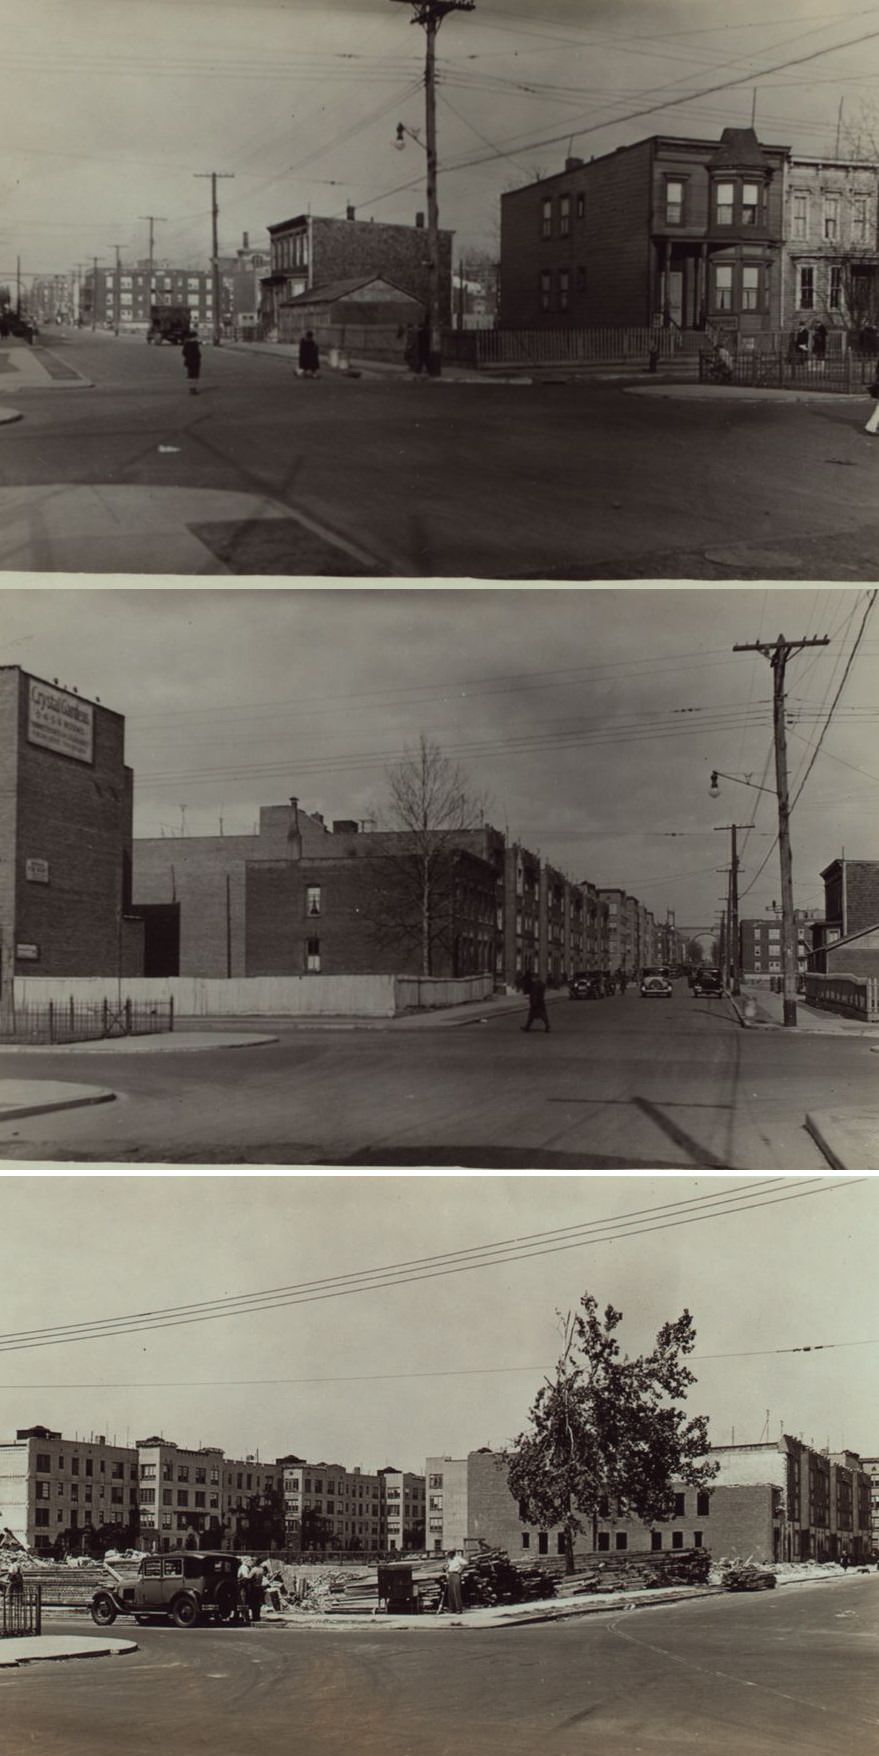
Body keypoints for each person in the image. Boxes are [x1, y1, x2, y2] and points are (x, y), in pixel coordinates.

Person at [181, 329, 202, 396]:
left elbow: (183, 353)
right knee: (195, 375)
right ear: (193, 337)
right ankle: (193, 389)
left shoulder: (186, 344)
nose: (197, 338)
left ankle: (191, 388)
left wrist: (187, 357)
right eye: (196, 336)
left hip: (189, 362)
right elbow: (197, 353)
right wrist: (198, 356)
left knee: (190, 375)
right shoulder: (195, 344)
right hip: (195, 362)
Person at [445, 1550, 465, 1614]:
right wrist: (447, 1571)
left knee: (456, 1591)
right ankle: (452, 1609)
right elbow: (448, 1567)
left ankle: (459, 1609)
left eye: (450, 1553)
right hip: (450, 1574)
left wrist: (460, 1570)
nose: (449, 1555)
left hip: (456, 1574)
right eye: (448, 1553)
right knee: (450, 1593)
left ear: (453, 1553)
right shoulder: (449, 1559)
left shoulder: (458, 1558)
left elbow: (465, 1563)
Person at [236, 1556, 252, 1624]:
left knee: (242, 1601)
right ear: (245, 1561)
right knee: (243, 1601)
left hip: (242, 1586)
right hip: (243, 1587)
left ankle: (242, 1617)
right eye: (249, 1560)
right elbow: (246, 1577)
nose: (250, 1562)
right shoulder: (244, 1567)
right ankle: (245, 1617)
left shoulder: (244, 1567)